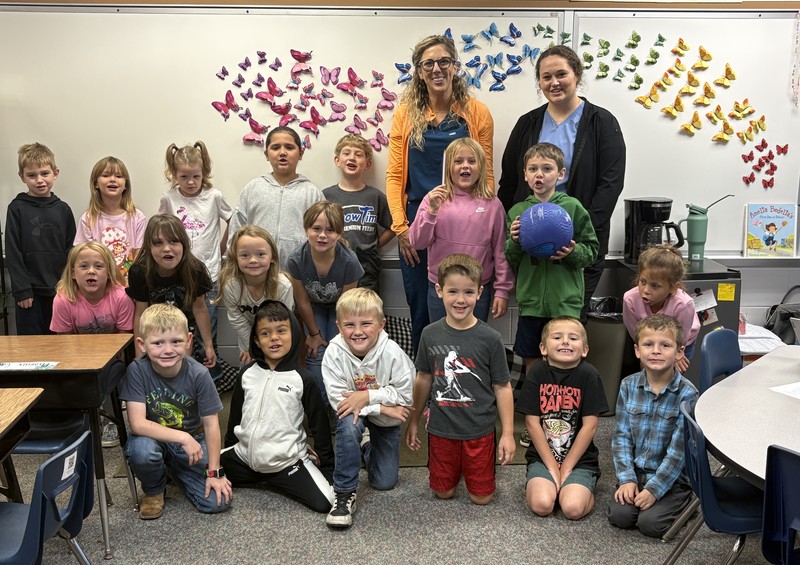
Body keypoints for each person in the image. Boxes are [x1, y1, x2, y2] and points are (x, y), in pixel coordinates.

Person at [498, 45, 626, 316]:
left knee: (569, 328)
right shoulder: (527, 124)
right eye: (546, 77)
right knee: (534, 326)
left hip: (578, 246)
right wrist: (510, 229)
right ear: (540, 82)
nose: (554, 83)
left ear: (576, 75)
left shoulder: (601, 122)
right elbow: (509, 181)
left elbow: (611, 183)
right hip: (532, 246)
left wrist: (578, 236)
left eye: (561, 74)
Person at [386, 34, 494, 355]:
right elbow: (394, 176)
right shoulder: (406, 114)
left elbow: (485, 175)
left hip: (463, 227)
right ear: (419, 71)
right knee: (423, 312)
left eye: (443, 61)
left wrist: (485, 226)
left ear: (455, 67)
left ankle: (467, 384)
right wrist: (401, 229)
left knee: (464, 310)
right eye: (428, 63)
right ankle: (427, 389)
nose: (436, 69)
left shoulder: (476, 113)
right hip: (418, 227)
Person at [406, 253, 515, 505]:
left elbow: (502, 386)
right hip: (442, 430)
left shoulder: (490, 339)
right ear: (439, 290)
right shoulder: (430, 334)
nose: (460, 299)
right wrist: (413, 420)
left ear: (479, 292)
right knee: (443, 493)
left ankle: (471, 470)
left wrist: (508, 433)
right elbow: (423, 377)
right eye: (453, 291)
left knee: (482, 498)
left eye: (468, 292)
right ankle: (454, 470)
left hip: (480, 431)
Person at [120, 304, 232, 519]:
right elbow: (138, 424)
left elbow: (211, 424)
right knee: (142, 452)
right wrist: (182, 437)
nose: (168, 350)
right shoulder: (137, 370)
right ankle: (154, 490)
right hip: (152, 439)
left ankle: (173, 469)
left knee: (217, 502)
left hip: (193, 440)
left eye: (176, 341)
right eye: (158, 343)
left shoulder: (199, 374)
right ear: (142, 345)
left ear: (189, 341)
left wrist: (214, 472)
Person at [222, 300, 334, 513]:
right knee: (200, 472)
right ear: (256, 340)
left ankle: (279, 478)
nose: (274, 338)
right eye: (265, 333)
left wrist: (328, 469)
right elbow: (234, 417)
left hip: (286, 464)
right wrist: (228, 450)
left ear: (294, 334)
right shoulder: (246, 374)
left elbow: (320, 427)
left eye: (281, 331)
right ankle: (258, 476)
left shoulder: (303, 379)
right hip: (244, 458)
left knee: (325, 502)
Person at [322, 288, 414, 529]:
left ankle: (366, 447)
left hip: (386, 418)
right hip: (363, 415)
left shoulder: (393, 353)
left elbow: (405, 396)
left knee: (384, 482)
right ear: (339, 326)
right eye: (349, 325)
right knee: (348, 423)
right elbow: (339, 402)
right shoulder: (333, 353)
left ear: (382, 324)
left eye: (366, 323)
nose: (358, 331)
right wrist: (382, 408)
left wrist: (366, 397)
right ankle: (343, 493)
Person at [505, 142, 598, 378]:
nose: (539, 174)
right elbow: (510, 257)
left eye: (547, 169)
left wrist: (572, 253)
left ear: (560, 173)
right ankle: (535, 408)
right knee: (532, 359)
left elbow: (591, 251)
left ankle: (563, 407)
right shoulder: (517, 212)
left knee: (565, 358)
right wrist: (515, 241)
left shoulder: (573, 208)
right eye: (533, 169)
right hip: (531, 304)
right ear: (525, 175)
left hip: (565, 303)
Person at [607, 314, 698, 538]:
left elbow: (679, 452)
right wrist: (627, 479)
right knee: (620, 516)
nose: (655, 351)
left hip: (673, 477)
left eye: (665, 345)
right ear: (638, 350)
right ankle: (637, 489)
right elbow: (621, 437)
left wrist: (655, 489)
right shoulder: (627, 385)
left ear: (679, 352)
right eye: (648, 344)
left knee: (650, 525)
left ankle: (686, 501)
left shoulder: (688, 394)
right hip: (637, 472)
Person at [408, 137, 512, 323]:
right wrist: (431, 212)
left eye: (472, 161)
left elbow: (501, 251)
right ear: (448, 167)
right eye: (458, 161)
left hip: (478, 289)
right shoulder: (434, 199)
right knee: (440, 343)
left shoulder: (493, 204)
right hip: (441, 288)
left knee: (474, 344)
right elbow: (417, 242)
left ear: (481, 167)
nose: (465, 166)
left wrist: (502, 290)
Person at [516, 317, 607, 520]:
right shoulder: (537, 372)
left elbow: (590, 427)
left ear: (584, 349)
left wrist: (566, 468)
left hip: (580, 460)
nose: (565, 341)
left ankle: (581, 488)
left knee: (572, 509)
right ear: (543, 348)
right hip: (543, 456)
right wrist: (551, 466)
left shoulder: (589, 374)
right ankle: (546, 484)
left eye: (573, 338)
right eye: (557, 337)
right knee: (542, 505)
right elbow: (532, 423)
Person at [50, 241, 134, 447]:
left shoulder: (120, 297)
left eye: (98, 266)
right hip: (78, 355)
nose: (91, 272)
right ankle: (79, 419)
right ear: (72, 273)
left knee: (116, 373)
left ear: (109, 272)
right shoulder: (63, 300)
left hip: (112, 355)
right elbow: (64, 345)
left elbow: (122, 343)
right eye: (84, 266)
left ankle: (112, 419)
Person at [160, 141, 233, 379]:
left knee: (207, 328)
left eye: (196, 176)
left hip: (209, 274)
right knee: (180, 327)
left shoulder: (214, 197)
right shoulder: (169, 199)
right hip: (178, 276)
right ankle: (181, 374)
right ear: (174, 175)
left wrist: (223, 248)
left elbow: (233, 219)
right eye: (184, 177)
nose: (190, 182)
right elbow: (159, 228)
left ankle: (211, 375)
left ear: (205, 173)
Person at [288, 201, 364, 406]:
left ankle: (340, 404)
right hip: (314, 307)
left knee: (338, 350)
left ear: (339, 234)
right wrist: (314, 334)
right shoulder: (296, 259)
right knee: (315, 352)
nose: (322, 235)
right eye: (316, 229)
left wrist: (339, 337)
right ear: (306, 230)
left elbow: (347, 305)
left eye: (330, 230)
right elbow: (302, 301)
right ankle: (320, 405)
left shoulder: (349, 261)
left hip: (341, 309)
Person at [126, 214, 217, 370]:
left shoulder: (194, 269)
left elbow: (200, 308)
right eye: (158, 243)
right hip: (153, 331)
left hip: (183, 332)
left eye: (174, 241)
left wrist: (208, 346)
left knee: (182, 368)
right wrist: (139, 355)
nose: (166, 248)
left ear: (184, 244)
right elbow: (140, 313)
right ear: (149, 247)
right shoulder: (140, 271)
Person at [228, 126, 324, 270]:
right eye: (275, 147)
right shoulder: (253, 188)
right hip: (255, 273)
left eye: (289, 147)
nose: (282, 153)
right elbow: (237, 229)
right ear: (267, 154)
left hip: (298, 275)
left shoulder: (312, 193)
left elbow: (321, 235)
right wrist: (230, 263)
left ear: (301, 153)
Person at [6, 142, 75, 335]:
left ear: (55, 173)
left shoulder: (63, 210)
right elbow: (13, 251)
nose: (39, 180)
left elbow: (71, 251)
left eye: (44, 173)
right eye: (31, 175)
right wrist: (22, 290)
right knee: (31, 347)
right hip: (29, 294)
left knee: (60, 344)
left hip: (60, 292)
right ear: (22, 177)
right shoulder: (16, 208)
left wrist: (69, 286)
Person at [323, 134, 394, 293]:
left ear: (367, 164)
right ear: (337, 160)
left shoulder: (375, 196)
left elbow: (394, 226)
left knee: (366, 311)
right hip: (334, 264)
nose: (352, 158)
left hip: (367, 268)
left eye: (358, 154)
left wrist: (375, 245)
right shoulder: (326, 196)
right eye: (346, 153)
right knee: (340, 312)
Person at [219, 225, 294, 366]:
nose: (253, 260)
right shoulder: (231, 286)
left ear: (272, 257)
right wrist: (251, 346)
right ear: (236, 258)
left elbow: (285, 322)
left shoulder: (283, 286)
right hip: (247, 334)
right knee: (249, 369)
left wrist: (269, 344)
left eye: (260, 254)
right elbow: (236, 318)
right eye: (245, 255)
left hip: (276, 334)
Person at [623, 245, 700, 374]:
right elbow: (634, 332)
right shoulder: (630, 300)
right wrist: (644, 353)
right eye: (643, 282)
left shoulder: (683, 305)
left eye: (655, 286)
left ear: (673, 288)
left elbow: (682, 336)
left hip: (681, 340)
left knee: (673, 375)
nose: (646, 290)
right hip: (650, 338)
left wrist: (677, 355)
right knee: (650, 375)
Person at [74, 156, 146, 284]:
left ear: (125, 185)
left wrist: (130, 282)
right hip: (98, 285)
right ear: (96, 183)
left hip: (128, 285)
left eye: (119, 176)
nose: (113, 180)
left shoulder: (137, 217)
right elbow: (83, 256)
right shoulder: (88, 218)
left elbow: (139, 254)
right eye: (106, 175)